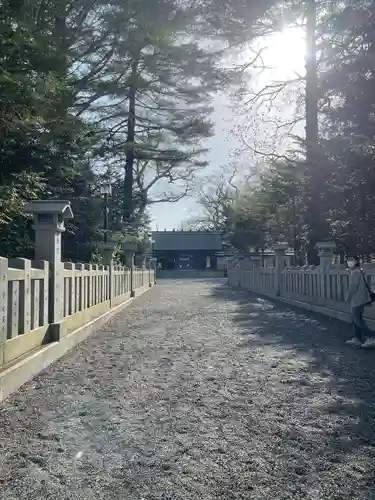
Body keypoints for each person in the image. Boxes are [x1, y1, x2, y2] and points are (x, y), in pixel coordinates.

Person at [345, 256, 375, 347]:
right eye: (348, 260)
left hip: (357, 299)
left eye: (351, 260)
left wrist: (347, 297)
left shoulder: (355, 272)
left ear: (356, 261)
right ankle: (358, 338)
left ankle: (371, 337)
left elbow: (353, 287)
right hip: (361, 298)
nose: (349, 262)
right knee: (356, 319)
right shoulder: (360, 270)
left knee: (357, 320)